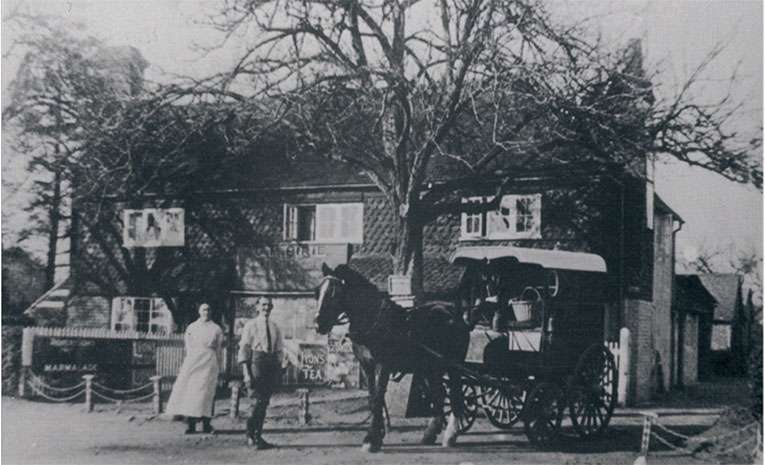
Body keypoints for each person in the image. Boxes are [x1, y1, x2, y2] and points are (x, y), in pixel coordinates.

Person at [165, 303, 223, 434]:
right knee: (192, 392)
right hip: (194, 361)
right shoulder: (192, 327)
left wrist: (218, 365)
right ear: (199, 311)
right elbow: (188, 346)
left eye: (208, 310)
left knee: (207, 393)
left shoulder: (216, 328)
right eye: (204, 310)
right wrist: (189, 362)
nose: (206, 312)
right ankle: (191, 425)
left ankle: (206, 425)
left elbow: (219, 349)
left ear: (211, 312)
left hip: (209, 362)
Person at [237, 296, 285, 449]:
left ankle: (258, 436)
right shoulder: (250, 325)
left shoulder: (275, 327)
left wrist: (280, 368)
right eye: (263, 305)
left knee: (264, 403)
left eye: (269, 305)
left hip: (270, 365)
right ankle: (250, 435)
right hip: (256, 363)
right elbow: (244, 349)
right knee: (256, 401)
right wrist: (246, 374)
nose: (266, 308)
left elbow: (279, 350)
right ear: (257, 307)